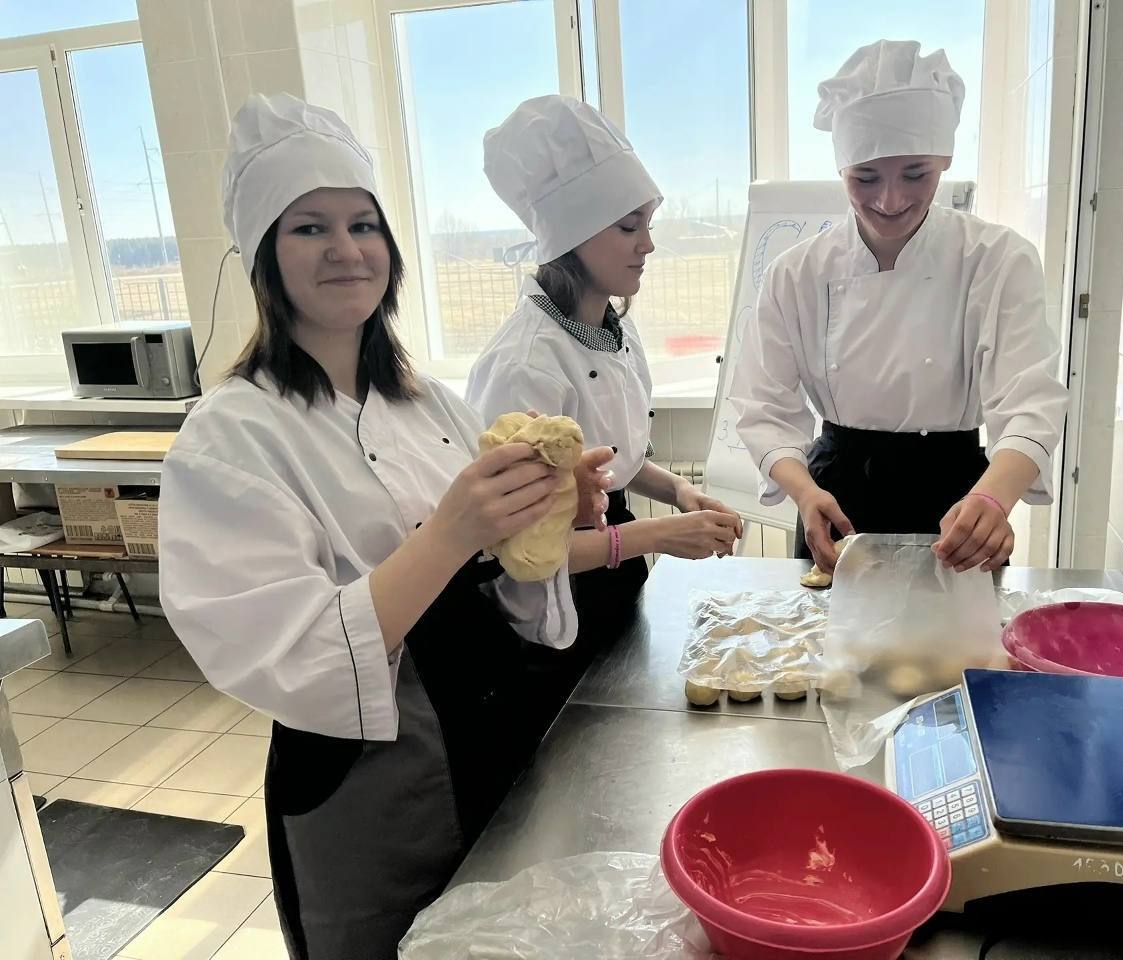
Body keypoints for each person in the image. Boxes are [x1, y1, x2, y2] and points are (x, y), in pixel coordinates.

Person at [158, 93, 612, 960]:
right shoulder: (232, 435)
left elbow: (498, 574)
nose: (346, 249)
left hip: (490, 718)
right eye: (310, 228)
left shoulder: (427, 402)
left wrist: (545, 516)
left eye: (363, 224)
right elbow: (288, 651)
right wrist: (448, 533)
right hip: (366, 768)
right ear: (265, 255)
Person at [729, 40, 1069, 575]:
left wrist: (994, 498)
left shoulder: (996, 260)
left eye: (916, 174)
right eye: (865, 177)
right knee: (828, 630)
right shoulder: (797, 274)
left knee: (954, 631)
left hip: (959, 498)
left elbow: (1030, 399)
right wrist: (803, 492)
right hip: (834, 499)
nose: (890, 200)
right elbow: (763, 405)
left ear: (945, 160)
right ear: (841, 167)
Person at [466, 95, 741, 702]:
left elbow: (611, 460)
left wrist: (678, 492)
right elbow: (524, 550)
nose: (648, 245)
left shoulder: (614, 329)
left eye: (648, 224)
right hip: (555, 602)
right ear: (573, 233)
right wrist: (660, 535)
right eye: (628, 227)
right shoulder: (525, 364)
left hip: (614, 566)